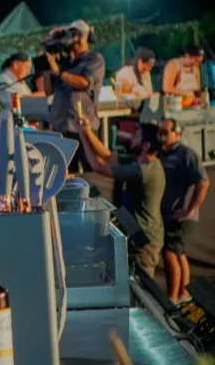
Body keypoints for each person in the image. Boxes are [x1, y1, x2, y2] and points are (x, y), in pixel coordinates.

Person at [78, 119, 165, 281]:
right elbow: (108, 156)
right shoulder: (139, 161)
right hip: (136, 235)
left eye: (137, 135)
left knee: (141, 288)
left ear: (146, 145)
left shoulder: (143, 171)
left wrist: (83, 136)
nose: (133, 136)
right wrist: (87, 131)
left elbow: (98, 166)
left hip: (144, 241)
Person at [158, 119, 210, 301]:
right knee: (178, 252)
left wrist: (190, 210)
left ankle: (173, 298)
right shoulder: (160, 153)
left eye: (166, 131)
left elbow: (203, 182)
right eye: (159, 130)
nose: (161, 134)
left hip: (180, 216)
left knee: (170, 252)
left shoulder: (186, 154)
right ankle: (183, 295)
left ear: (177, 134)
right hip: (167, 215)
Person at [44, 20, 106, 173]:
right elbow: (48, 91)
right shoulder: (63, 61)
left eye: (79, 35)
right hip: (61, 125)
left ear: (88, 37)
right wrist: (47, 67)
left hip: (83, 125)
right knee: (63, 173)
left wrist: (59, 73)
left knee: (91, 170)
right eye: (72, 35)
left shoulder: (95, 59)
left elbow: (84, 83)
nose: (75, 39)